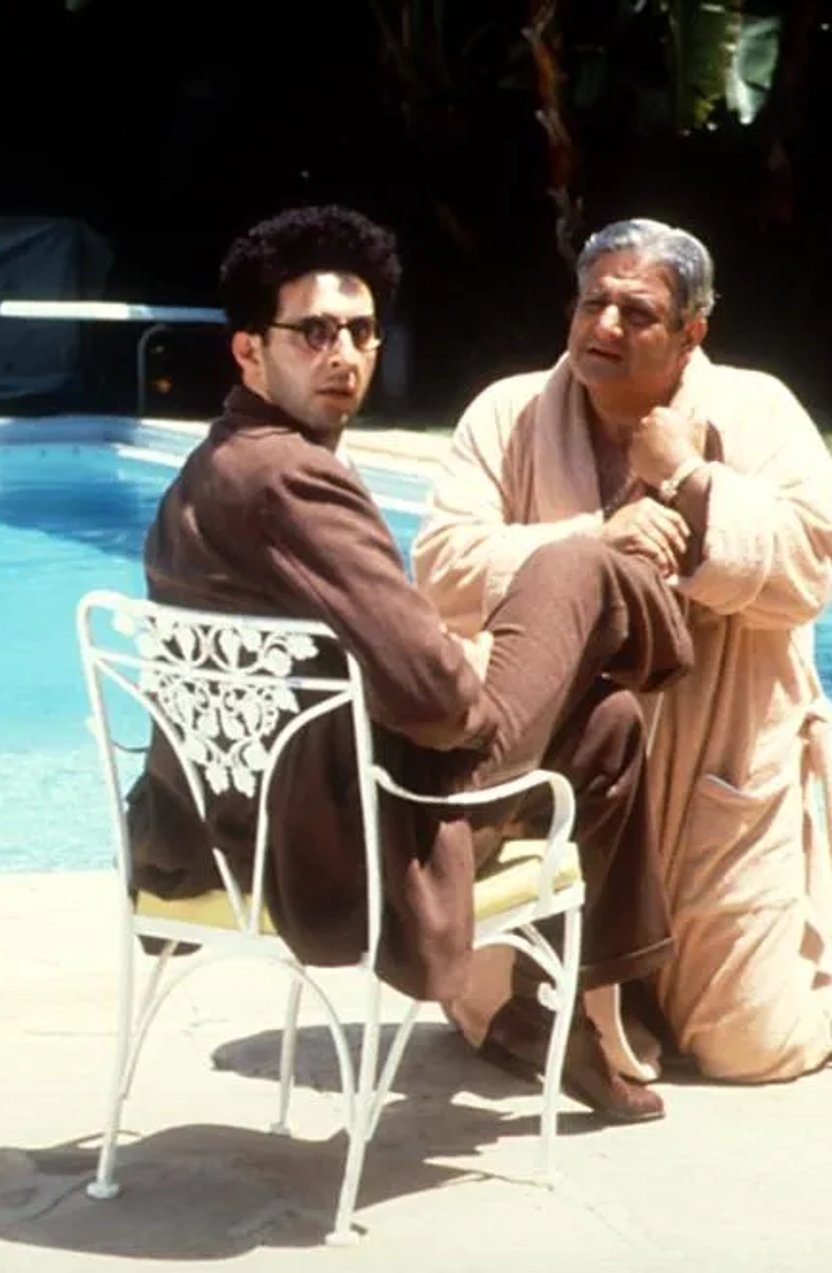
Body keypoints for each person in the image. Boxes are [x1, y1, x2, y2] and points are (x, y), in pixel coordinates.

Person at [124, 205, 697, 1119]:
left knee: (610, 723)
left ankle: (561, 1019)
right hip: (352, 846)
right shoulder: (294, 481)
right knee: (578, 565)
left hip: (244, 829)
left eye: (358, 330)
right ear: (248, 354)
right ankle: (666, 643)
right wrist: (479, 666)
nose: (342, 352)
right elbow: (440, 704)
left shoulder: (211, 469)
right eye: (311, 332)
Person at [412, 217, 832, 1083]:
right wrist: (595, 543)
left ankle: (758, 964)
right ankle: (591, 995)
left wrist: (691, 480)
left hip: (718, 768)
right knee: (498, 1009)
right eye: (591, 303)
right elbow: (442, 566)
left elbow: (813, 567)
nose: (603, 328)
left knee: (751, 1047)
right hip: (566, 768)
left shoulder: (758, 409)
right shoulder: (508, 411)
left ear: (690, 334)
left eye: (635, 314)